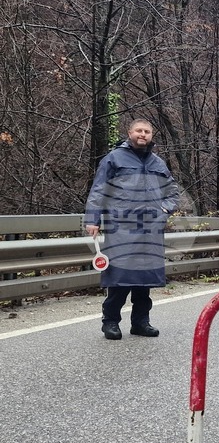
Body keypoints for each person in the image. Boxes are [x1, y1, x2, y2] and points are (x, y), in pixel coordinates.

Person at [85, 119, 179, 340]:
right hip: (122, 228)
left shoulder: (158, 163)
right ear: (130, 133)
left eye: (147, 131)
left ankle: (140, 322)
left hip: (150, 230)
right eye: (139, 130)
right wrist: (93, 220)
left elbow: (173, 192)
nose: (143, 134)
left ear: (151, 134)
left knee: (143, 280)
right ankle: (110, 322)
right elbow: (99, 190)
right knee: (120, 278)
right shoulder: (114, 159)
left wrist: (164, 210)